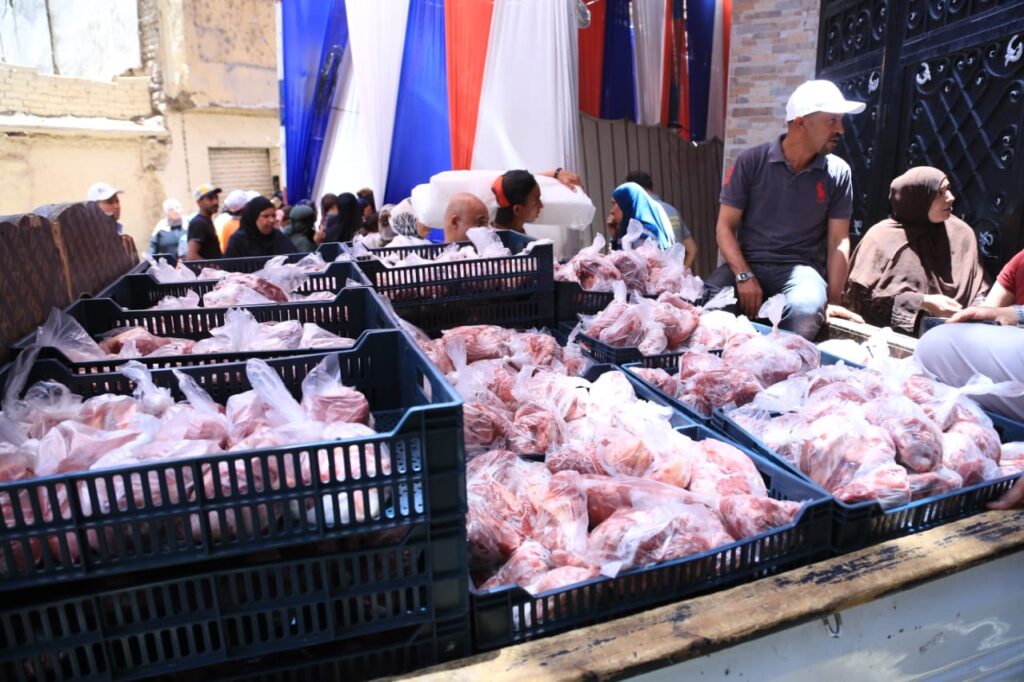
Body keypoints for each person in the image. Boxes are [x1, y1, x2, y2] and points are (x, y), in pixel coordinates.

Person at [705, 80, 866, 339]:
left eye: (841, 121)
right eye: (832, 120)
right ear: (801, 122)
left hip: (802, 271)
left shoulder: (838, 172)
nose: (841, 129)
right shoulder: (751, 161)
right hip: (749, 262)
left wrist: (834, 300)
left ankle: (780, 362)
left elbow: (838, 240)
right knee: (706, 302)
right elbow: (725, 227)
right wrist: (744, 275)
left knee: (804, 312)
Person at [843, 168, 990, 334]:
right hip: (892, 338)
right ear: (918, 199)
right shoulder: (881, 238)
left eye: (948, 189)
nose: (950, 197)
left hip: (957, 335)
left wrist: (969, 318)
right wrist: (922, 301)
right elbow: (864, 299)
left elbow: (980, 290)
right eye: (939, 193)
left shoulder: (962, 234)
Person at [624, 170, 698, 267]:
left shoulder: (636, 216)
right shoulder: (672, 211)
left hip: (651, 275)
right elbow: (692, 249)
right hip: (674, 275)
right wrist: (680, 271)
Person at [491, 168, 584, 233]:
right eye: (536, 202)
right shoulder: (502, 247)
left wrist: (557, 173)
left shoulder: (504, 230)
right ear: (517, 210)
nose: (541, 205)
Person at [223, 195, 296, 258]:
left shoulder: (279, 237)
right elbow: (230, 267)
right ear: (253, 218)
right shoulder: (239, 241)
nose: (271, 220)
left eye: (273, 215)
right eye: (266, 216)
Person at [609, 182, 675, 250]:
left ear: (627, 205)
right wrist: (614, 236)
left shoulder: (642, 236)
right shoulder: (634, 231)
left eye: (614, 204)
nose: (612, 211)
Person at [186, 184, 222, 260]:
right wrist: (212, 267)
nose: (215, 202)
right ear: (199, 202)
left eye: (216, 197)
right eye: (210, 198)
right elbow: (192, 256)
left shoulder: (206, 221)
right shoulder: (198, 223)